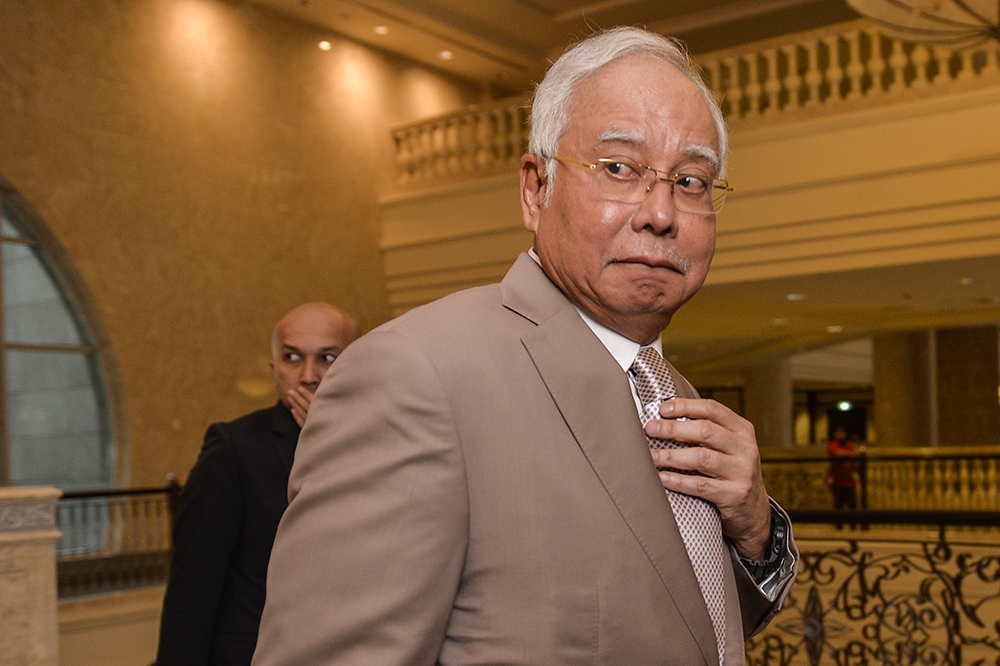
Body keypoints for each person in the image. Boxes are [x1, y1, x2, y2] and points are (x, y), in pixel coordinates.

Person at [253, 27, 798, 666]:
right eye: (619, 168)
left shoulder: (668, 389)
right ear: (535, 190)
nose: (661, 212)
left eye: (692, 180)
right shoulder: (417, 376)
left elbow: (675, 619)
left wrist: (756, 532)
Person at [155, 302, 361, 666]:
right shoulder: (235, 448)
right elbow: (193, 590)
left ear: (357, 365)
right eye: (292, 358)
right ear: (275, 368)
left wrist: (333, 443)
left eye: (327, 358)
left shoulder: (379, 446)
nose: (309, 375)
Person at [827, 426, 859, 511]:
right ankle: (839, 524)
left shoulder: (849, 445)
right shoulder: (833, 444)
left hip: (849, 481)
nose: (841, 435)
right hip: (837, 481)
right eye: (838, 433)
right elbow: (837, 453)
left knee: (852, 506)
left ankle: (853, 524)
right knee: (838, 505)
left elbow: (855, 457)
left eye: (842, 433)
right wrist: (849, 454)